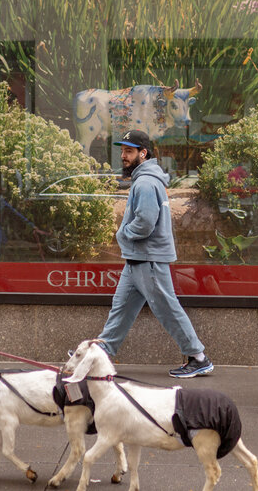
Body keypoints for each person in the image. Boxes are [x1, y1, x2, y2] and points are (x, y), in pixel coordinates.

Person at [96, 130, 213, 378]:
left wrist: (123, 233)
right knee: (121, 309)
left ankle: (198, 357)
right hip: (138, 259)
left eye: (129, 151)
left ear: (143, 153)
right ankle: (101, 353)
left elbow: (146, 222)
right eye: (123, 151)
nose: (123, 156)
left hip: (148, 259)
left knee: (167, 308)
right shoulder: (145, 180)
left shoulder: (146, 183)